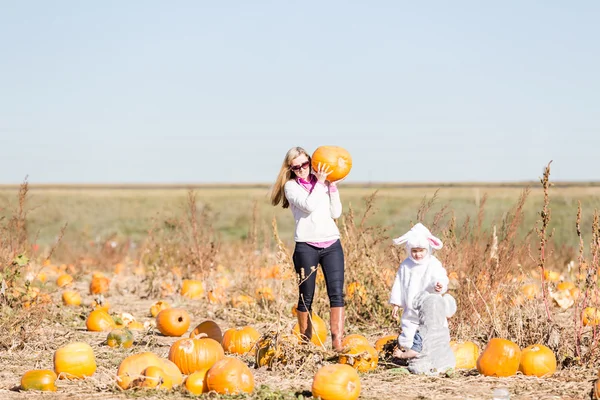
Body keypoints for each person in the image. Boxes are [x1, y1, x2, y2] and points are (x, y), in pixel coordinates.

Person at [270, 146, 345, 352]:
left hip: (331, 244)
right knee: (306, 296)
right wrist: (321, 183)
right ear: (290, 169)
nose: (302, 169)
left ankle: (337, 342)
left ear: (310, 162)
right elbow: (309, 205)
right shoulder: (291, 188)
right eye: (297, 167)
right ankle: (305, 343)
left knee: (337, 294)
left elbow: (336, 212)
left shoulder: (322, 184)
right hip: (306, 247)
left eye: (305, 164)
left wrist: (333, 187)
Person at [389, 222, 449, 359]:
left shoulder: (433, 263)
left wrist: (439, 285)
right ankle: (410, 356)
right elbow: (398, 283)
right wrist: (396, 303)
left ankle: (434, 355)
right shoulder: (405, 266)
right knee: (409, 331)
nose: (418, 254)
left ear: (428, 249)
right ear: (409, 250)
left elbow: (440, 276)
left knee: (433, 330)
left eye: (421, 250)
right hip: (411, 310)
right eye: (414, 251)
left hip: (430, 309)